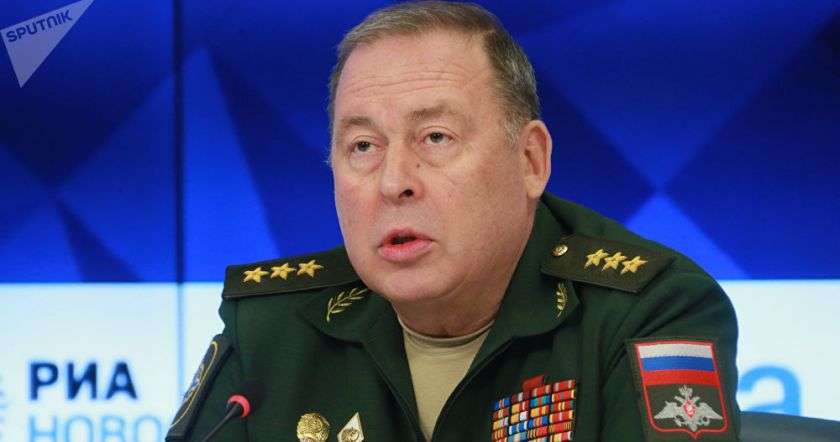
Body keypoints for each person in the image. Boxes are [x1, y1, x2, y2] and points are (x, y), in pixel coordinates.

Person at [166, 2, 739, 441]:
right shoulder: (270, 329)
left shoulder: (648, 311)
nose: (394, 181)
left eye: (435, 138)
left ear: (530, 160)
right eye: (363, 146)